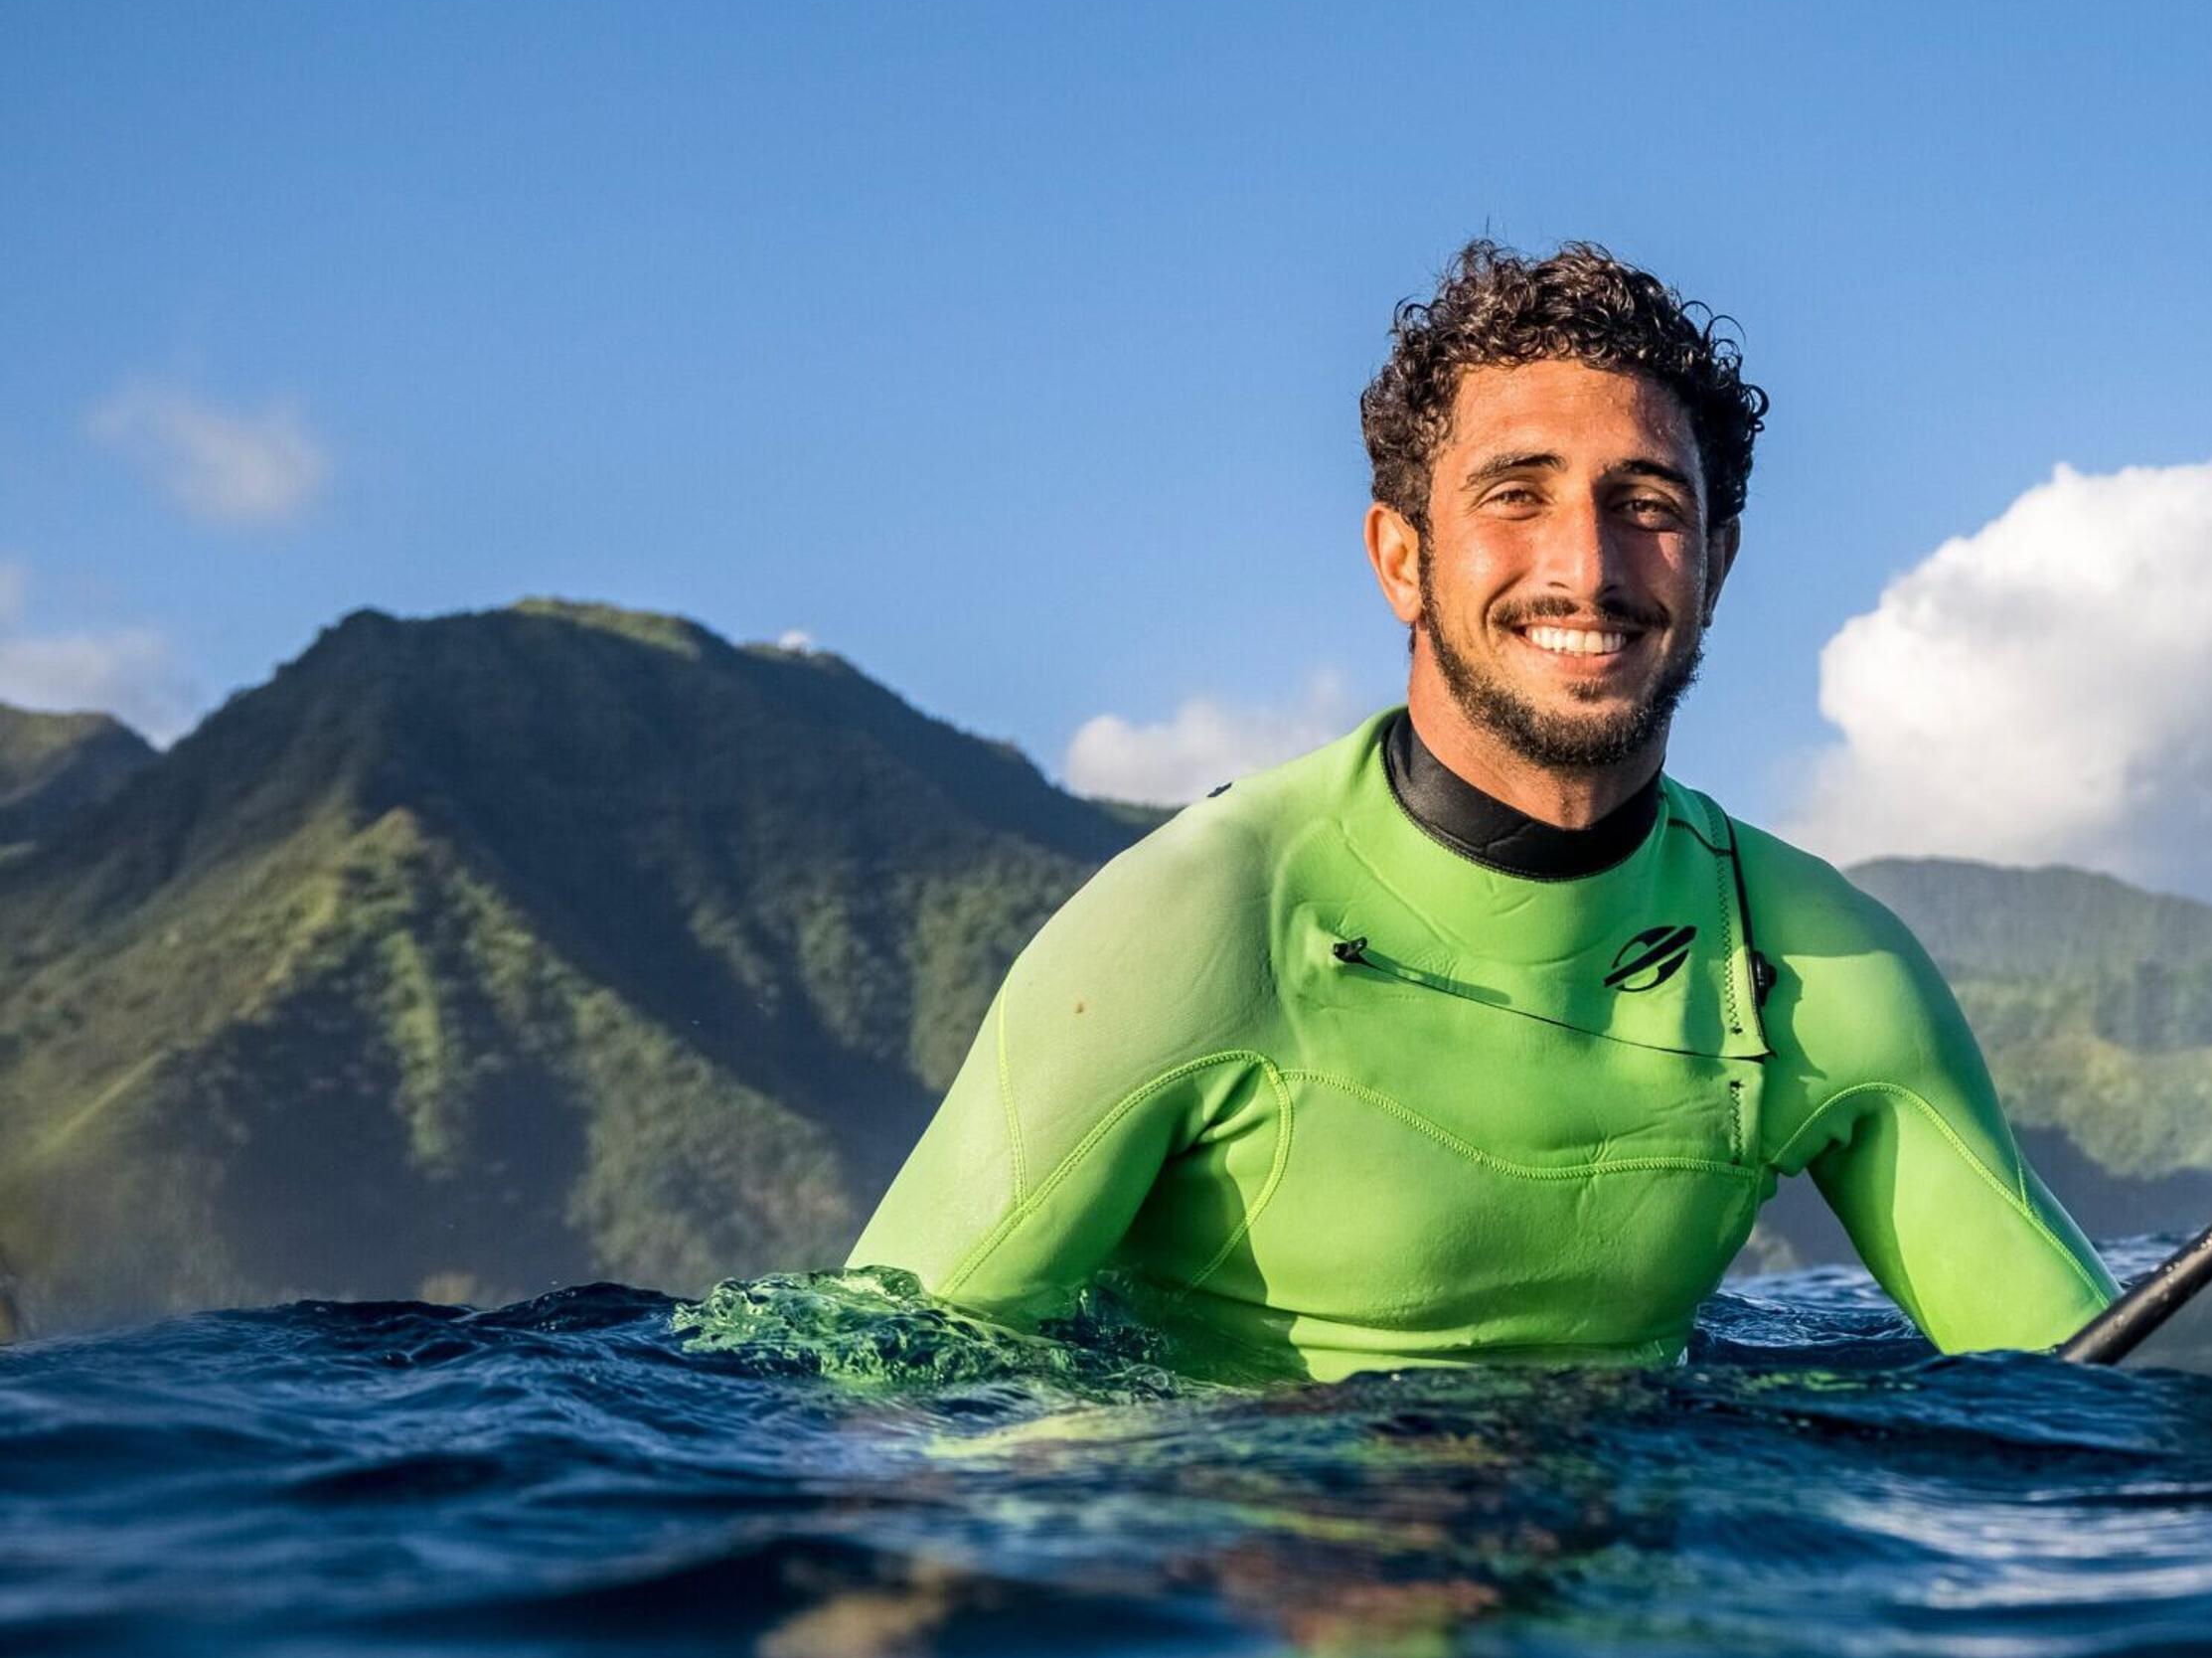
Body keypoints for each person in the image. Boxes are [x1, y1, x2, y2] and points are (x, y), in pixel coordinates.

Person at [853, 241, 2118, 1380]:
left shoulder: (1811, 964)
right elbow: (864, 1389)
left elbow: (2108, 1397)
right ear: (1402, 557)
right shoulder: (1199, 922)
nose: (1588, 565)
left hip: (1654, 1601)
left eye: (1648, 505)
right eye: (1518, 493)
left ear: (1717, 563)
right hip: (1243, 1586)